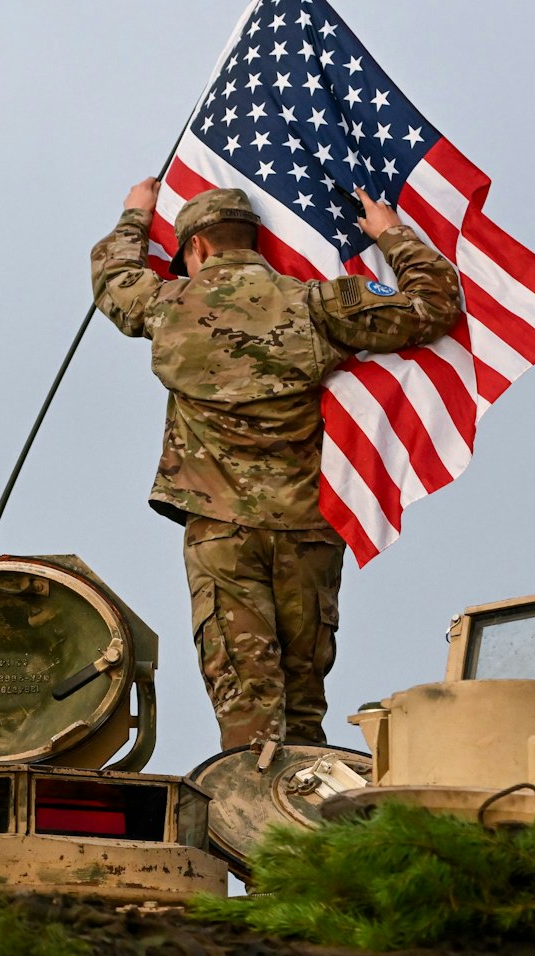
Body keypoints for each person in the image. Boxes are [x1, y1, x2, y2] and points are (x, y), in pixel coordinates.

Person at [91, 177, 461, 758]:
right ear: (254, 242)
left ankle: (253, 828)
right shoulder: (316, 303)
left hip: (220, 531)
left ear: (199, 249)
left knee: (246, 703)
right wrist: (392, 235)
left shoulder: (167, 305)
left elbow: (115, 282)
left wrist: (135, 213)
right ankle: (307, 823)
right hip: (308, 530)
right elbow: (435, 306)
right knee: (304, 704)